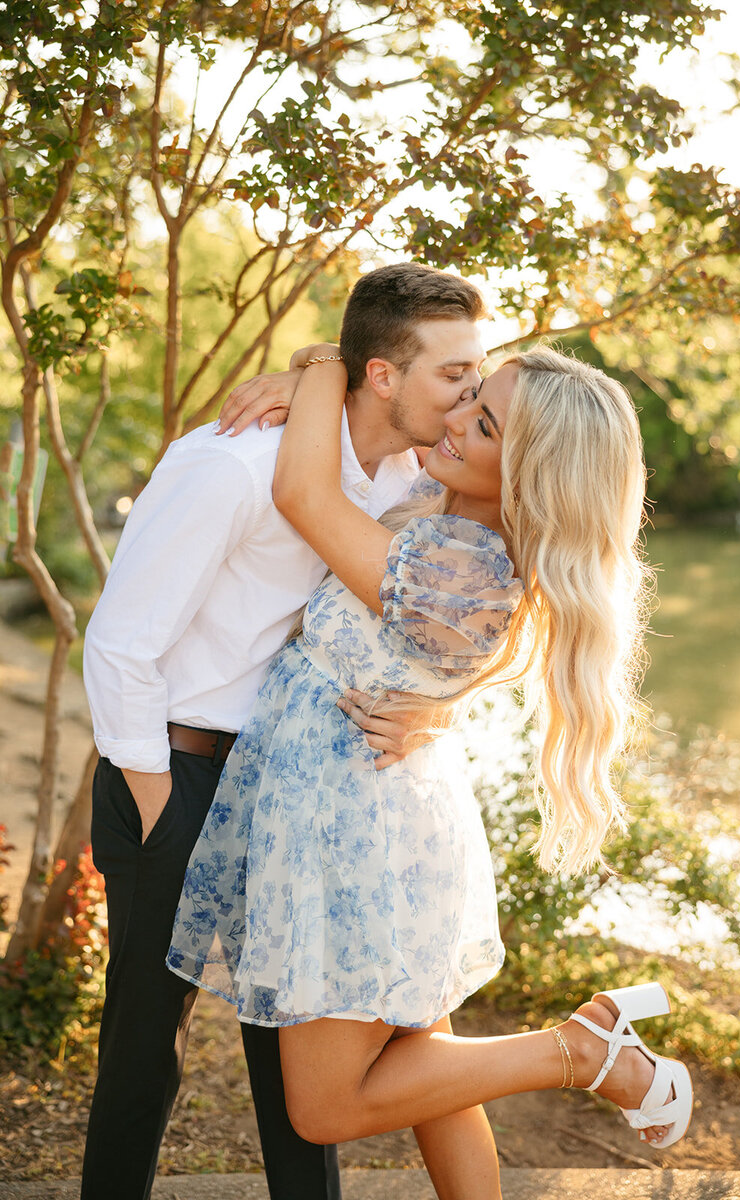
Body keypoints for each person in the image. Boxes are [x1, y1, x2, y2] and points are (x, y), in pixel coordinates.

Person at [167, 343, 692, 1200]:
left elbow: (303, 494)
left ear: (529, 475)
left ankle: (582, 1052)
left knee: (327, 1108)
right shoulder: (449, 510)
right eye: (473, 396)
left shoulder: (461, 564)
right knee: (433, 1070)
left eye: (483, 424)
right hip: (357, 811)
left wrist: (322, 375)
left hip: (359, 833)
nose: (454, 419)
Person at [80, 263, 489, 1200]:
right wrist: (156, 802)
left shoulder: (405, 479)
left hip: (290, 785)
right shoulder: (231, 464)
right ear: (381, 375)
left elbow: (456, 620)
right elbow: (121, 642)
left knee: (296, 1051)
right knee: (146, 1048)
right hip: (176, 774)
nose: (471, 393)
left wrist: (439, 708)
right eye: (453, 374)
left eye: (477, 375)